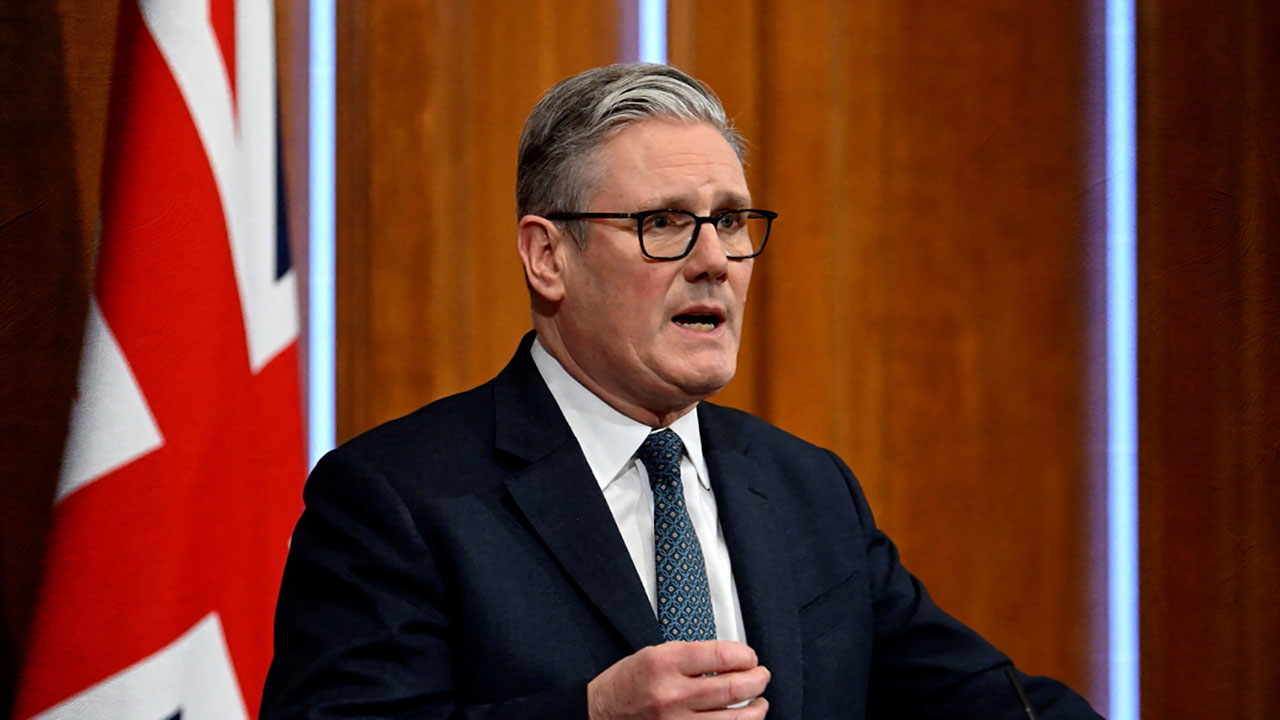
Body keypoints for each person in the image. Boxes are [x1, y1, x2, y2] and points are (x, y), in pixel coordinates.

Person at [261, 63, 1103, 719]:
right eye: (662, 222)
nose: (713, 261)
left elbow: (981, 703)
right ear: (547, 257)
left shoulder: (809, 491)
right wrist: (590, 717)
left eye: (730, 220)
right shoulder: (397, 499)